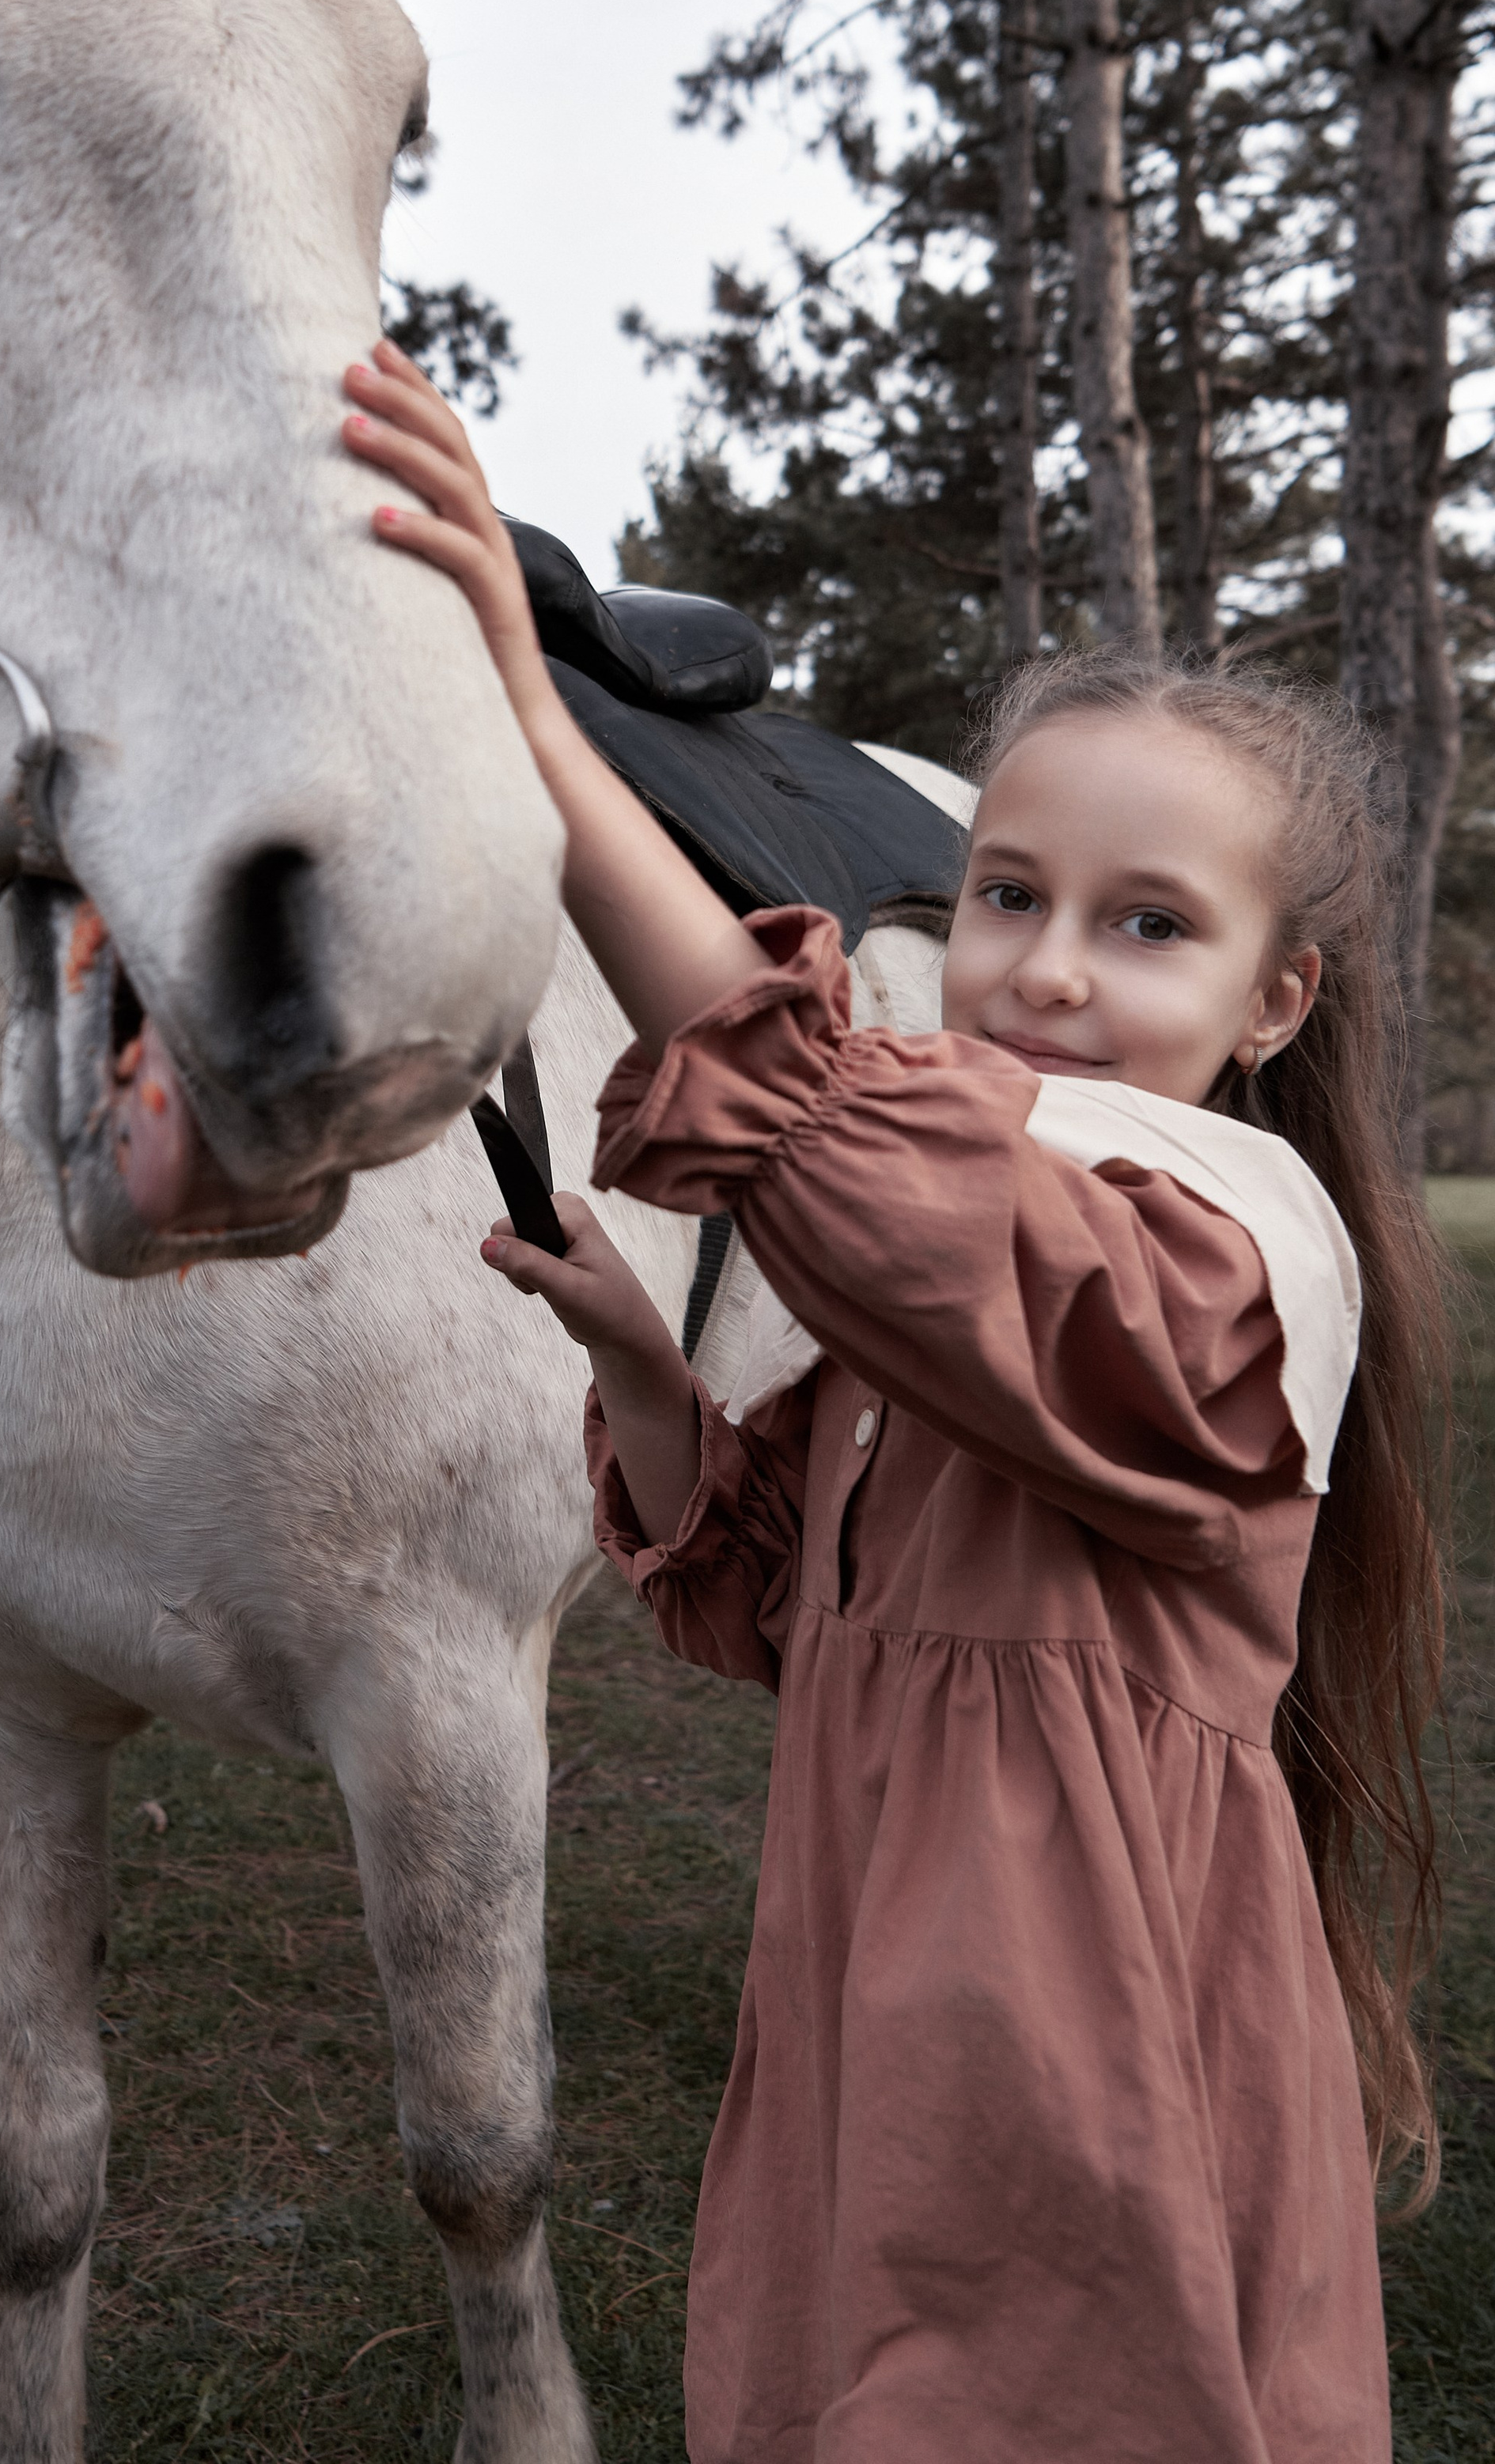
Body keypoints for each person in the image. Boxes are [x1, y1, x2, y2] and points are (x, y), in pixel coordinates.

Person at [339, 339, 1449, 2464]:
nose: (1043, 973)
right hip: (884, 1990)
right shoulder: (977, 1245)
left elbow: (850, 1144)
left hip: (1070, 2031)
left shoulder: (1227, 1255)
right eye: (1010, 899)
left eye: (1147, 926)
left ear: (1271, 998)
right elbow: (809, 1631)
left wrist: (529, 700)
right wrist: (659, 1390)